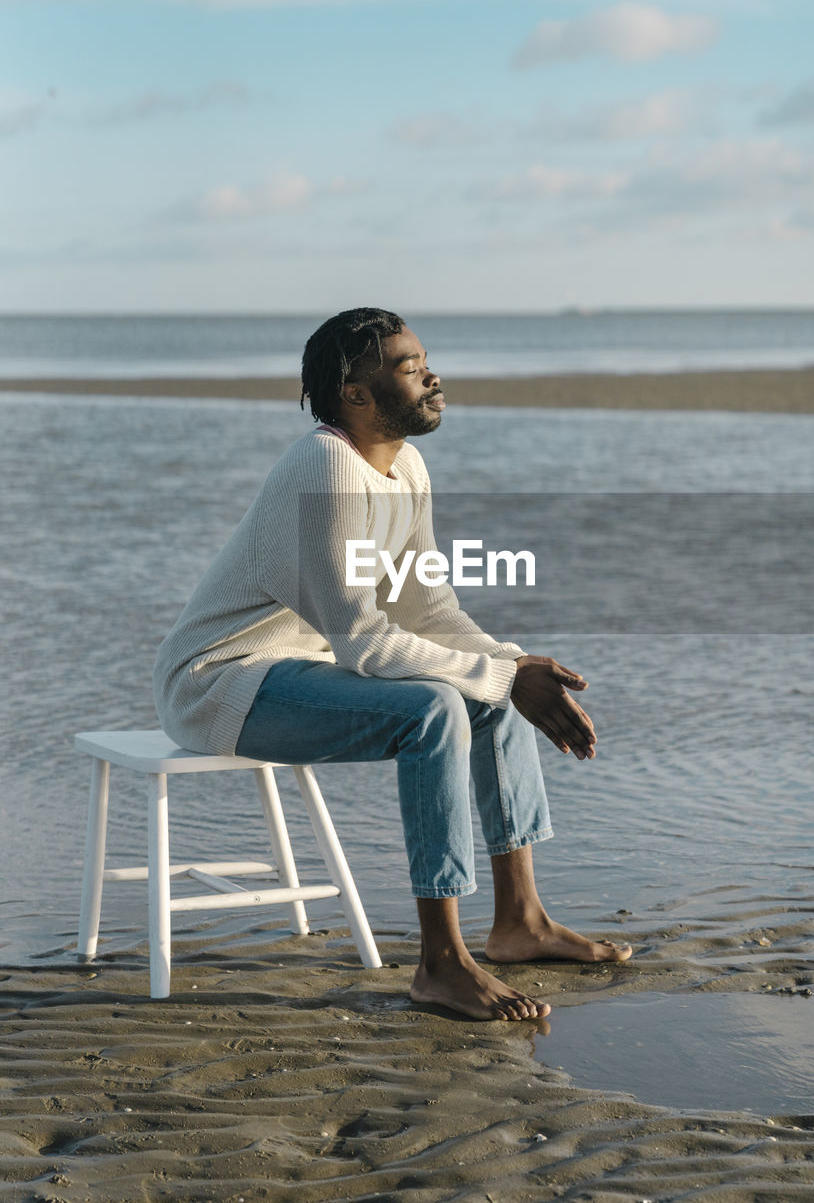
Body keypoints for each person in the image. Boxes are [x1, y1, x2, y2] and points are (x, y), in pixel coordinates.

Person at [153, 307, 631, 1021]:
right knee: (436, 708)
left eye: (423, 360)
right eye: (409, 368)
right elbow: (367, 645)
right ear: (355, 393)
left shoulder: (404, 466)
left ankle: (519, 923)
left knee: (490, 695)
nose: (432, 376)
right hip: (223, 683)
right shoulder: (323, 467)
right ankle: (439, 964)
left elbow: (426, 609)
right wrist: (502, 676)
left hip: (305, 672)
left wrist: (513, 666)